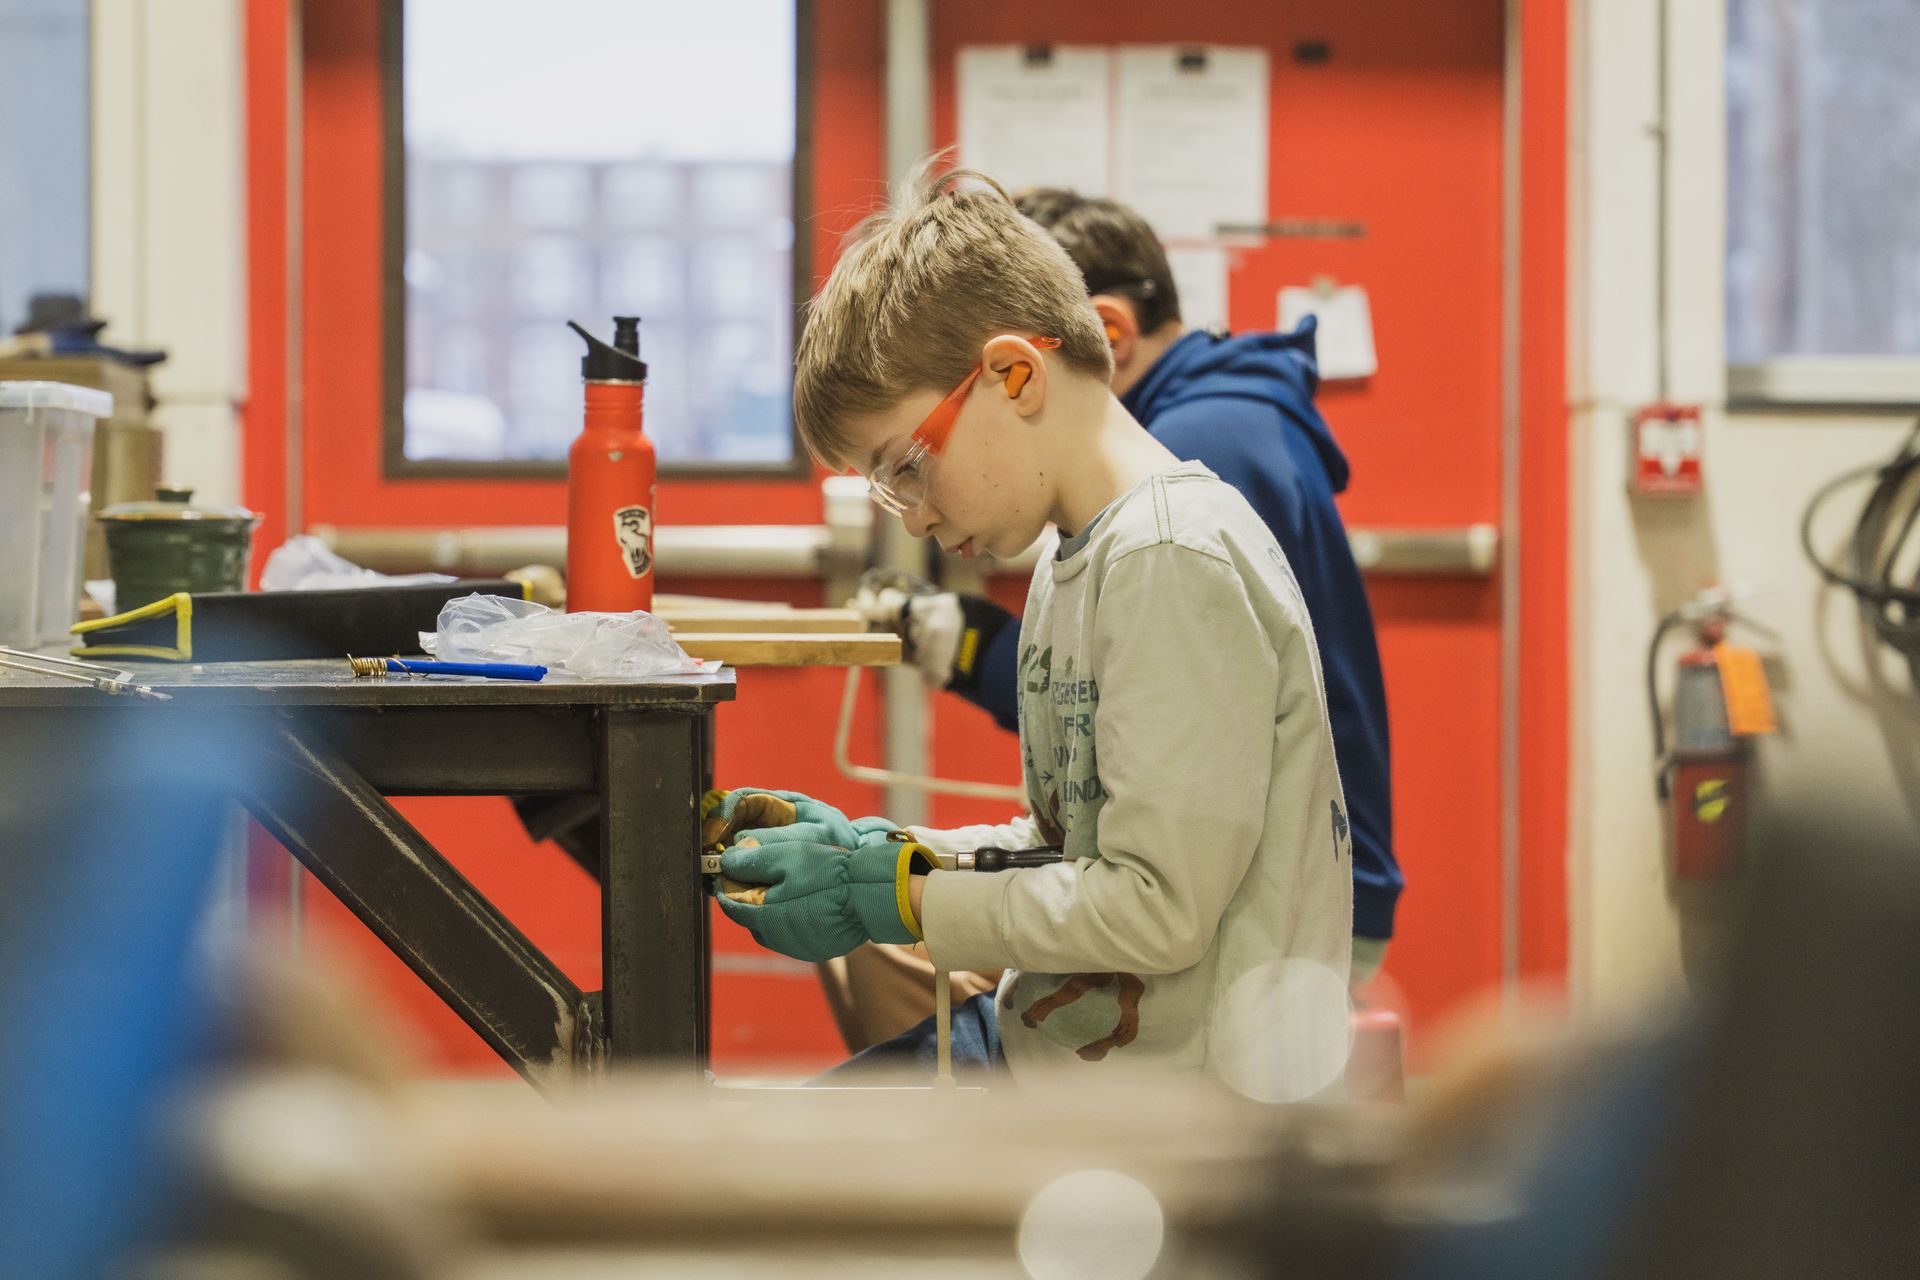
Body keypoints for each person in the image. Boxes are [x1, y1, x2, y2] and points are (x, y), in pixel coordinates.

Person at [707, 163, 1352, 1086]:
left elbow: (1157, 908)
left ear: (1014, 375)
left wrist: (899, 898)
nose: (916, 518)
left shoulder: (1170, 556)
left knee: (766, 1198)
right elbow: (1076, 845)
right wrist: (882, 854)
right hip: (1053, 1052)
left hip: (1174, 1118)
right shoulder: (1070, 555)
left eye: (907, 469)